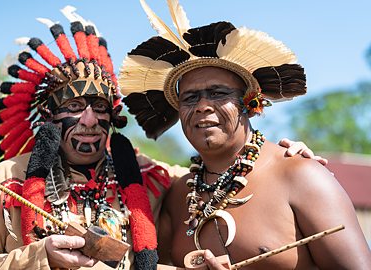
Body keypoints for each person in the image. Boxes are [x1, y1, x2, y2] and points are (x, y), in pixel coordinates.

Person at [0, 7, 324, 270]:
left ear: (113, 117)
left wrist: (276, 159)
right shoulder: (10, 181)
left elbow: (217, 175)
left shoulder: (149, 178)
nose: (89, 120)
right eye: (74, 106)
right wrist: (39, 256)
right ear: (48, 115)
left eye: (99, 107)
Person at [119, 1, 371, 269]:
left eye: (218, 93)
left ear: (250, 105)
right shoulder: (178, 194)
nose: (203, 105)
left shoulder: (300, 175)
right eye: (190, 97)